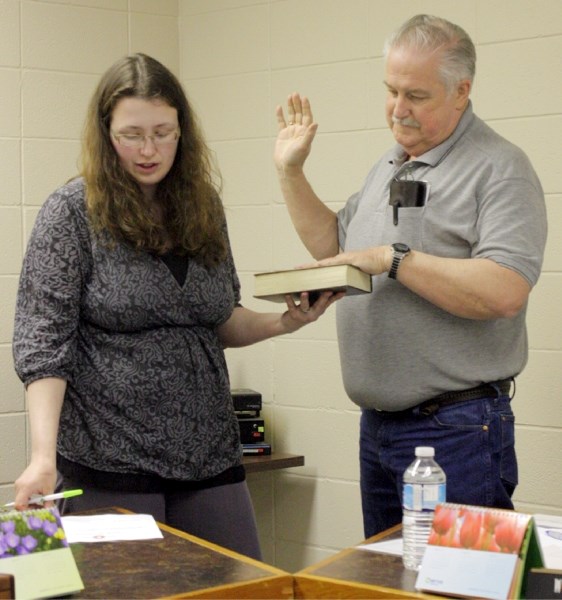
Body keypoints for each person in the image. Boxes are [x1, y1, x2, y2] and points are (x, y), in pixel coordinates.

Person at [12, 53, 340, 560]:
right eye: (131, 134)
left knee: (241, 591)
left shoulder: (202, 205)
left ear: (182, 130)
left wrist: (285, 321)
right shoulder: (72, 213)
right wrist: (41, 457)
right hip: (111, 461)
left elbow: (218, 318)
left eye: (163, 132)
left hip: (209, 455)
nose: (149, 149)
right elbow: (43, 348)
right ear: (106, 134)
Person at [274, 14, 547, 538]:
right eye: (391, 91)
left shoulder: (500, 168)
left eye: (416, 95)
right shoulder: (391, 165)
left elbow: (506, 290)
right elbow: (337, 248)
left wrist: (395, 259)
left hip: (457, 431)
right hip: (380, 429)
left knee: (460, 586)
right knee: (387, 586)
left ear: (461, 91)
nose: (398, 109)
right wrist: (290, 171)